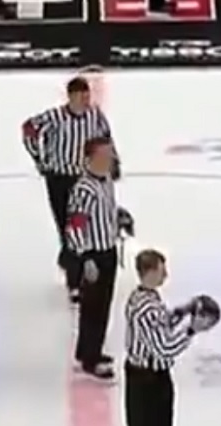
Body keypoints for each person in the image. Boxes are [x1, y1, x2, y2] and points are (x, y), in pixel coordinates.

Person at [123, 249, 218, 426]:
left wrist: (183, 311)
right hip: (147, 376)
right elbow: (163, 348)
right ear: (151, 271)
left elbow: (161, 324)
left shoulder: (145, 298)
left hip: (148, 374)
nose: (166, 274)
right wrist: (191, 330)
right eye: (162, 269)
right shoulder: (145, 307)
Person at [21, 77, 120, 302]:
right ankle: (74, 279)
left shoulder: (95, 116)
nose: (86, 100)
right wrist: (40, 157)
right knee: (68, 227)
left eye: (88, 95)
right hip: (61, 178)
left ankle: (77, 266)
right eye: (82, 96)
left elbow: (106, 138)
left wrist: (113, 164)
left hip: (87, 177)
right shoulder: (56, 117)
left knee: (88, 226)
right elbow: (29, 129)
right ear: (72, 96)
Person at [64, 136, 132, 380]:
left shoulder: (106, 182)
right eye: (105, 155)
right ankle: (90, 358)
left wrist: (120, 219)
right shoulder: (84, 189)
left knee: (102, 305)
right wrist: (84, 257)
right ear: (92, 159)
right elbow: (74, 226)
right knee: (93, 307)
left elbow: (106, 212)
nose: (110, 159)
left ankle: (88, 350)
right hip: (93, 254)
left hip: (108, 250)